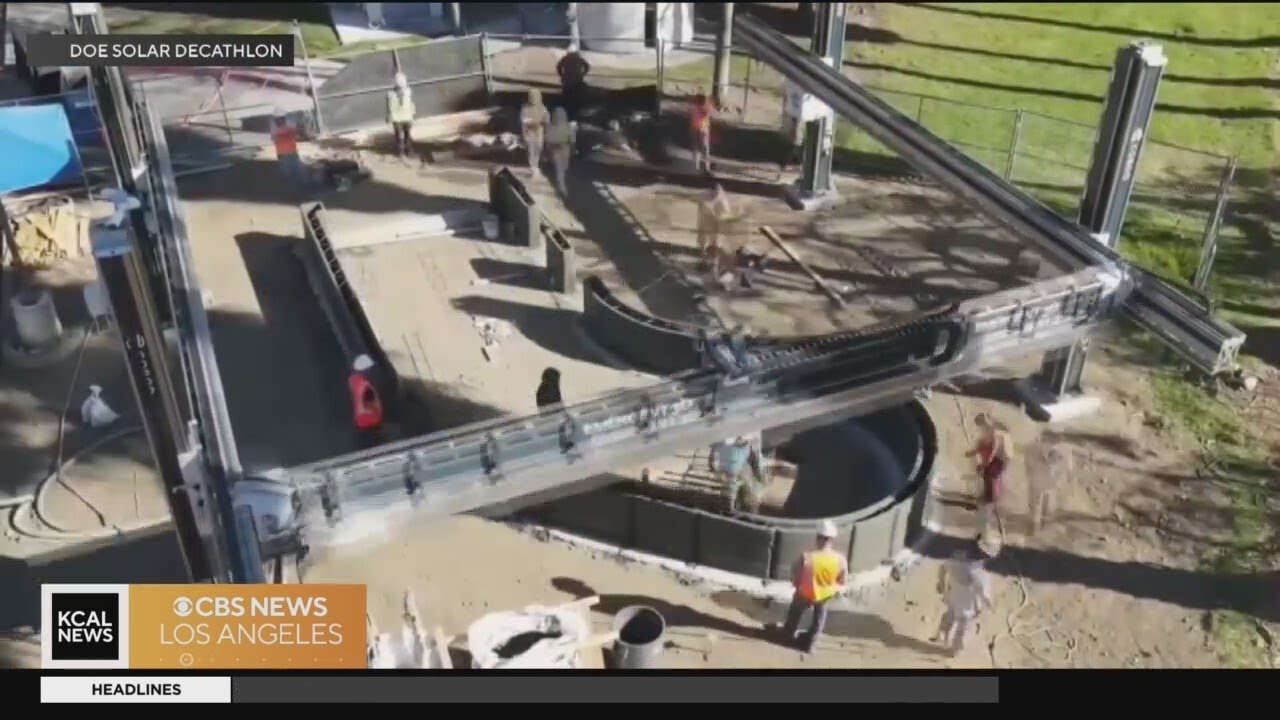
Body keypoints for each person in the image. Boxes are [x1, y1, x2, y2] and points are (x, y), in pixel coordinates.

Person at [781, 520, 848, 653]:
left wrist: (796, 584)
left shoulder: (807, 557)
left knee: (795, 612)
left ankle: (788, 634)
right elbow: (842, 580)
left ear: (818, 537)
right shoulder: (840, 560)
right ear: (832, 539)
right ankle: (811, 643)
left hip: (805, 592)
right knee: (819, 619)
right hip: (825, 595)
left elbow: (795, 574)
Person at [931, 540, 994, 655]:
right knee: (964, 625)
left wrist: (941, 583)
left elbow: (943, 568)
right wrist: (988, 604)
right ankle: (956, 648)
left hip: (953, 593)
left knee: (951, 613)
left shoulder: (956, 559)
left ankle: (942, 631)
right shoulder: (978, 573)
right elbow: (983, 592)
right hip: (968, 601)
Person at [965, 412, 1011, 532]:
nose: (980, 427)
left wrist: (984, 464)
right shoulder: (988, 433)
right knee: (989, 481)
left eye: (981, 424)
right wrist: (973, 453)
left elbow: (993, 451)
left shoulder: (995, 433)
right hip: (994, 461)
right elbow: (984, 447)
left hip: (999, 461)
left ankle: (992, 507)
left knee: (993, 483)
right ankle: (989, 502)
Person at [1024, 439, 1070, 534]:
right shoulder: (1064, 449)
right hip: (1047, 483)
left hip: (1041, 482)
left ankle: (1035, 528)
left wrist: (1029, 473)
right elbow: (1067, 467)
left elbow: (1028, 463)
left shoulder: (1034, 446)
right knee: (1044, 506)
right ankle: (1038, 527)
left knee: (1038, 506)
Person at [711, 433, 764, 512]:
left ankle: (733, 508)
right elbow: (756, 461)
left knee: (743, 488)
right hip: (734, 472)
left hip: (734, 471)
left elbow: (756, 459)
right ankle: (735, 508)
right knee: (744, 488)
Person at [545, 107, 576, 195]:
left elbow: (547, 142)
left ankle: (561, 184)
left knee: (563, 168)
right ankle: (562, 188)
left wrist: (547, 152)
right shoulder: (567, 127)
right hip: (561, 149)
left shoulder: (551, 127)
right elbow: (572, 141)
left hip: (561, 149)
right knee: (561, 169)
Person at [271, 113, 307, 187]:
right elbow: (299, 133)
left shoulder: (277, 131)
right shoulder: (290, 129)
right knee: (296, 171)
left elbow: (274, 140)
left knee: (288, 172)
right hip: (290, 153)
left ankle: (292, 186)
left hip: (284, 153)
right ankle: (299, 186)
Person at [520, 89, 551, 173]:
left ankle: (538, 162)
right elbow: (524, 120)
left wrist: (544, 122)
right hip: (529, 132)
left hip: (539, 131)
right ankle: (533, 165)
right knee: (531, 148)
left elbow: (546, 118)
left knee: (539, 147)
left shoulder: (542, 108)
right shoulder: (525, 108)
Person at [556, 50, 591, 120]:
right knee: (576, 98)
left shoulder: (565, 58)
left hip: (567, 82)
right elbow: (587, 66)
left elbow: (558, 67)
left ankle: (568, 113)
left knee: (567, 99)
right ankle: (575, 114)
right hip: (577, 81)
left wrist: (562, 75)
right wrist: (582, 74)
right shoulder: (579, 59)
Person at [387, 72, 416, 158]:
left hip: (404, 117)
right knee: (403, 135)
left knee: (404, 135)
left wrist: (413, 115)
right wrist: (389, 115)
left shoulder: (407, 92)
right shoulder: (392, 94)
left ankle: (406, 151)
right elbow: (389, 106)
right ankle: (403, 151)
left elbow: (411, 103)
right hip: (400, 117)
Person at [689, 92, 715, 173]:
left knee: (698, 148)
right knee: (704, 149)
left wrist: (709, 104)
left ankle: (697, 167)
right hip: (702, 130)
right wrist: (710, 104)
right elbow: (708, 113)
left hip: (697, 129)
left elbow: (707, 113)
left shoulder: (696, 108)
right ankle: (705, 167)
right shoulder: (702, 108)